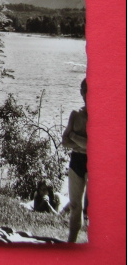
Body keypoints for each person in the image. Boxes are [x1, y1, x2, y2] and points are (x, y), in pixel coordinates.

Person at [61, 78, 88, 242]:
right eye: (84, 91)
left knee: (93, 208)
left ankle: (94, 247)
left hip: (96, 163)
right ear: (81, 92)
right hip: (76, 161)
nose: (87, 95)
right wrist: (84, 143)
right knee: (75, 205)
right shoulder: (75, 114)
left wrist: (74, 137)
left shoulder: (102, 115)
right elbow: (64, 142)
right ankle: (70, 243)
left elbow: (97, 146)